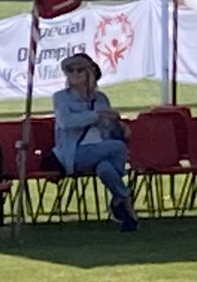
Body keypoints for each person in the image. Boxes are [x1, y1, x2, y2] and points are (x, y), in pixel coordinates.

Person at [52, 52, 138, 232]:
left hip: (101, 149)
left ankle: (121, 205)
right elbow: (66, 122)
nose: (74, 74)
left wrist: (118, 124)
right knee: (118, 147)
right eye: (70, 70)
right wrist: (96, 115)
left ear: (89, 74)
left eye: (79, 70)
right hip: (74, 152)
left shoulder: (101, 99)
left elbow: (107, 129)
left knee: (105, 168)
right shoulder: (61, 97)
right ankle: (126, 199)